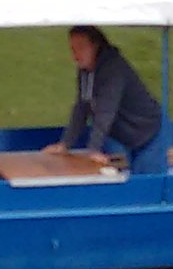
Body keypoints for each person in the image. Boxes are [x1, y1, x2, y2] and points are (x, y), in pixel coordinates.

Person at [48, 25, 165, 171]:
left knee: (146, 182)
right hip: (128, 136)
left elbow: (106, 111)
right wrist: (65, 144)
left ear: (96, 45)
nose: (76, 55)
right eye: (73, 49)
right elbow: (82, 108)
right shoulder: (85, 71)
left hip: (150, 132)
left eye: (81, 48)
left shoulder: (113, 70)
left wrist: (94, 150)